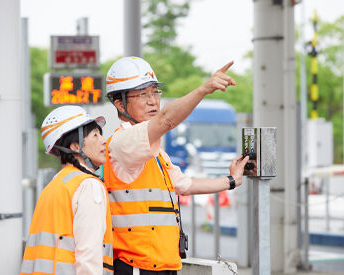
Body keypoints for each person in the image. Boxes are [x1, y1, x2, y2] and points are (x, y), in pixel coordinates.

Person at [104, 56, 249, 275]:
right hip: (137, 266)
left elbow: (184, 184)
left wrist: (231, 180)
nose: (153, 101)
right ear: (119, 104)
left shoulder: (155, 153)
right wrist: (204, 89)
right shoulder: (122, 143)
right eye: (143, 94)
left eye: (155, 92)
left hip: (162, 264)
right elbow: (165, 120)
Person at [20, 105, 113, 275]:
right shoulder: (89, 185)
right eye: (95, 135)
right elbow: (89, 256)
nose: (103, 140)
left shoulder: (56, 184)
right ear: (76, 146)